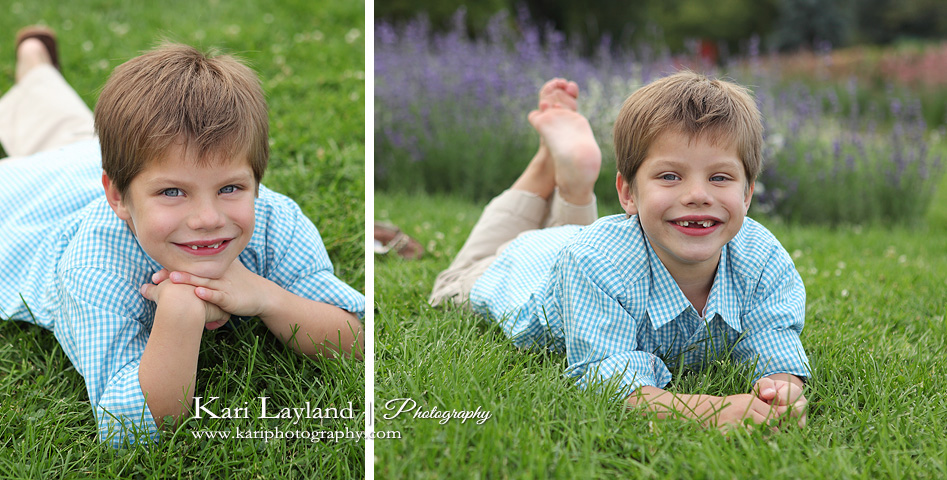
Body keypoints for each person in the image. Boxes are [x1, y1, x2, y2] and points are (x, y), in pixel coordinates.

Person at [0, 28, 365, 446]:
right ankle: (34, 69)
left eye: (230, 188)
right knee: (49, 152)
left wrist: (269, 297)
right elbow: (128, 427)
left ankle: (34, 65)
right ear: (118, 197)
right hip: (22, 204)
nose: (208, 218)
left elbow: (354, 339)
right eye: (173, 192)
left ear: (257, 182)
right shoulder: (91, 268)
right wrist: (180, 314)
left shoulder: (275, 222)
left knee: (68, 134)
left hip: (91, 159)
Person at [430, 72, 810, 430]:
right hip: (523, 267)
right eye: (670, 176)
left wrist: (781, 390)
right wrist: (710, 411)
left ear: (747, 193)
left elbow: (772, 336)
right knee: (454, 281)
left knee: (574, 236)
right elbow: (610, 378)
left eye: (720, 177)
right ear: (628, 193)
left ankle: (570, 179)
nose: (698, 195)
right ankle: (546, 164)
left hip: (581, 242)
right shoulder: (595, 263)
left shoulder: (763, 259)